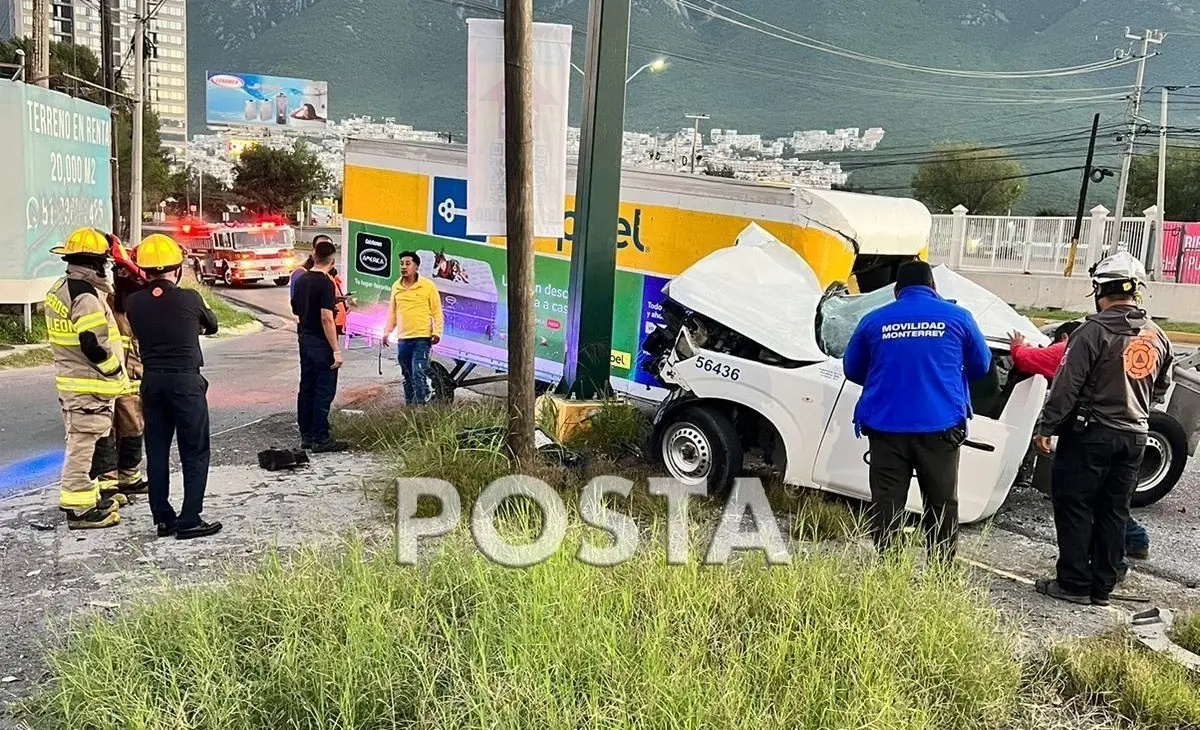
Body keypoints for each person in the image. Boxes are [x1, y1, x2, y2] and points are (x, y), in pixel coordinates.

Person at [1033, 252, 1172, 607]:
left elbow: (1067, 385)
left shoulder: (1092, 332)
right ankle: (1102, 587)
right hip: (1135, 437)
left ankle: (1075, 583)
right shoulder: (1157, 335)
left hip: (1091, 435)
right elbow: (1160, 386)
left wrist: (1047, 425)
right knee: (1114, 510)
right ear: (1137, 291)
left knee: (1075, 505)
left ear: (1100, 290)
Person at [843, 260, 992, 562]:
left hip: (886, 427)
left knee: (887, 502)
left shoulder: (874, 320)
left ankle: (889, 569)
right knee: (941, 502)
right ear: (934, 288)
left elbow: (852, 369)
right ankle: (941, 572)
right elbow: (981, 366)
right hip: (940, 427)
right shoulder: (958, 318)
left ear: (897, 291)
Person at [1009, 321, 1152, 566]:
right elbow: (1160, 385)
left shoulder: (1069, 346)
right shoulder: (1147, 338)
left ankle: (1086, 571)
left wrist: (1017, 348)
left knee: (1080, 502)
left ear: (1064, 335)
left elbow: (1029, 362)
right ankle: (1115, 564)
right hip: (1132, 431)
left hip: (1093, 433)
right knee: (1111, 504)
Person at [125, 234, 223, 540]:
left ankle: (163, 518)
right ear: (177, 269)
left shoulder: (133, 302)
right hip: (185, 381)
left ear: (144, 270)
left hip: (151, 381)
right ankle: (190, 518)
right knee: (194, 450)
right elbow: (213, 323)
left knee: (156, 450)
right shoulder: (189, 299)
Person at [44, 228, 129, 530]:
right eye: (104, 263)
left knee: (86, 443)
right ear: (96, 263)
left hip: (73, 381)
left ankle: (90, 497)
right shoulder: (86, 296)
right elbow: (93, 344)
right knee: (82, 446)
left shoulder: (61, 288)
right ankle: (78, 508)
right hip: (88, 385)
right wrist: (115, 371)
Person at [89, 236, 149, 506]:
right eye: (121, 270)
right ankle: (107, 484)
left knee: (133, 427)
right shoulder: (105, 301)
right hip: (107, 378)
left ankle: (129, 477)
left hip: (132, 380)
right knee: (106, 432)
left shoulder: (138, 301)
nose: (126, 276)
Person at [292, 241, 347, 452]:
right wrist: (335, 350)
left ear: (314, 257)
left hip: (304, 338)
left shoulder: (303, 279)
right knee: (324, 390)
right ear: (332, 261)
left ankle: (306, 434)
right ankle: (320, 437)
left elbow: (297, 308)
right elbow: (326, 318)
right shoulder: (325, 283)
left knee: (307, 387)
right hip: (320, 341)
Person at [382, 250, 443, 405]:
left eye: (408, 264)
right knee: (407, 374)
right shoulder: (396, 286)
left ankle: (420, 408)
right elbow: (393, 313)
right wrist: (387, 332)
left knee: (418, 373)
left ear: (416, 267)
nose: (404, 267)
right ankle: (410, 406)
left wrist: (436, 332)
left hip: (422, 338)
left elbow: (437, 312)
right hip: (403, 338)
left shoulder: (428, 286)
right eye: (401, 263)